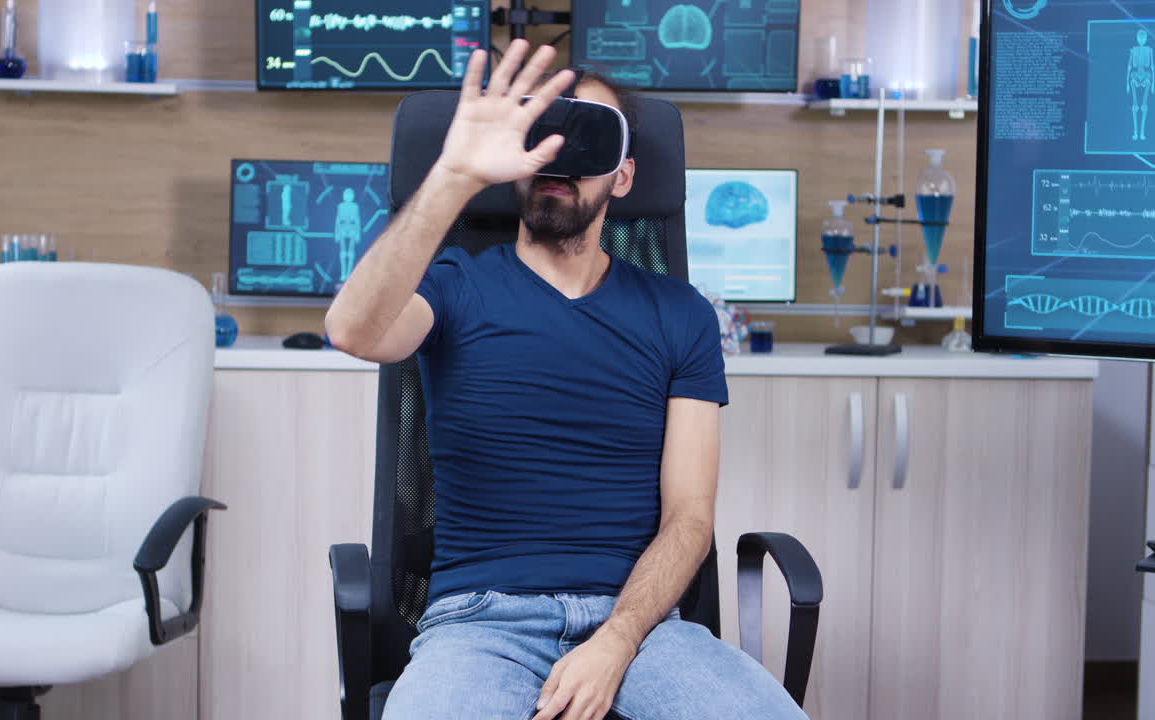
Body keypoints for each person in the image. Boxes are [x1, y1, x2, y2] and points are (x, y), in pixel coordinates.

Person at [325, 41, 806, 720]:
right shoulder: (455, 287)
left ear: (624, 175)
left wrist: (616, 639)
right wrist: (457, 174)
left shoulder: (680, 314)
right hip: (478, 626)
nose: (562, 156)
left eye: (589, 138)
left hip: (638, 628)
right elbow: (353, 330)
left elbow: (690, 519)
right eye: (545, 133)